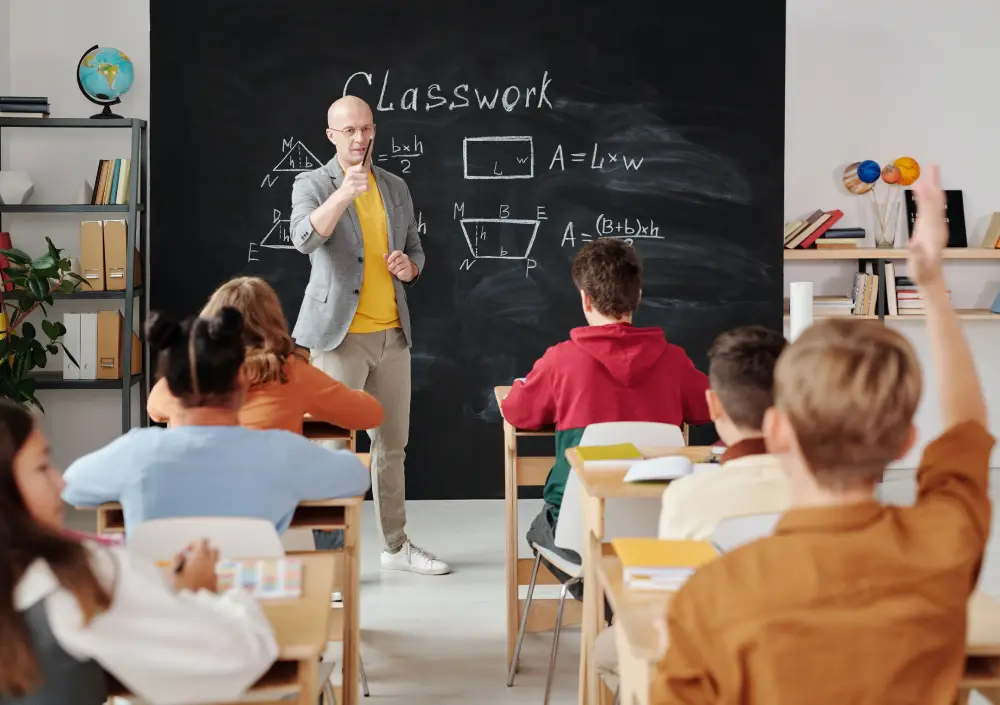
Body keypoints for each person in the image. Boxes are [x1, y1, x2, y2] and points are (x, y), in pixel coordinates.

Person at [651, 165, 995, 704]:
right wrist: (930, 284)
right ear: (905, 442)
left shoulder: (713, 597)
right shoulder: (941, 546)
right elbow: (969, 430)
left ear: (777, 428)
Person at [0, 400, 278, 705]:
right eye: (42, 466)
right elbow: (239, 656)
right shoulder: (75, 580)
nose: (60, 481)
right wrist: (201, 595)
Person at [289, 94, 446, 575]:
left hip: (392, 335)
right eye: (349, 131)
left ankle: (396, 547)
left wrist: (410, 268)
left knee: (392, 446)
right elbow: (303, 239)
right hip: (338, 337)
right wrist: (343, 194)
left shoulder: (395, 186)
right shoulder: (312, 183)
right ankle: (328, 559)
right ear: (332, 136)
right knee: (333, 450)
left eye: (366, 129)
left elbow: (416, 249)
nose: (360, 139)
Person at [501, 239, 712, 588]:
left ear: (585, 298)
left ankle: (600, 597)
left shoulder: (561, 360)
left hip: (577, 527)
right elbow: (706, 407)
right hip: (657, 526)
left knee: (542, 528)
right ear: (638, 296)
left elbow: (518, 412)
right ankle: (619, 603)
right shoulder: (674, 360)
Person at [592, 324, 790, 693]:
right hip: (801, 653)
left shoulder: (690, 495)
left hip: (712, 662)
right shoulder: (824, 490)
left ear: (713, 404)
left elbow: (668, 598)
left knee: (606, 650)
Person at [62, 307, 371, 538]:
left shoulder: (136, 453)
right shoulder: (280, 452)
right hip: (254, 611)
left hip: (164, 612)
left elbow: (70, 486)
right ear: (241, 381)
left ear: (167, 384)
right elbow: (357, 477)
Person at [146, 276, 384, 434]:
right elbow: (370, 415)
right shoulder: (291, 373)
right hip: (267, 503)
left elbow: (155, 410)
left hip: (194, 502)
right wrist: (352, 393)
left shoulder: (188, 374)